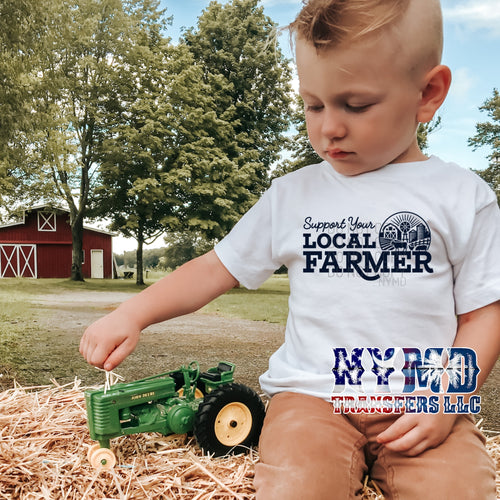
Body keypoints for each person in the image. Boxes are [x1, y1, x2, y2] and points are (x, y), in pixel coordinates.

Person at [80, 0, 500, 497]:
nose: (329, 128)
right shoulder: (292, 195)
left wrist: (447, 398)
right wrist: (133, 313)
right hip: (312, 400)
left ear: (428, 94)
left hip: (423, 401)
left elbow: (483, 314)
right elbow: (217, 268)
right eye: (313, 105)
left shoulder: (462, 197)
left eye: (356, 105)